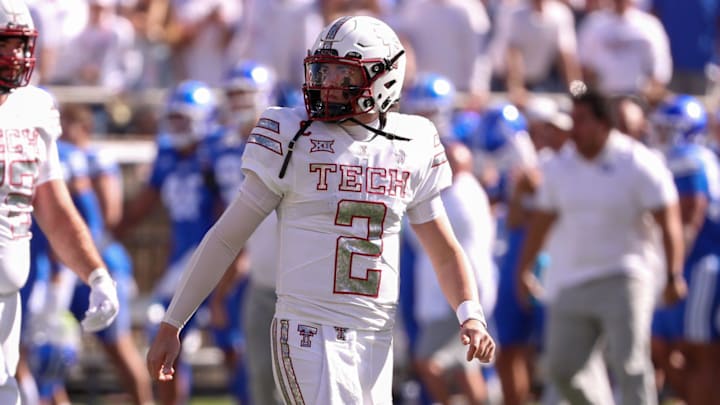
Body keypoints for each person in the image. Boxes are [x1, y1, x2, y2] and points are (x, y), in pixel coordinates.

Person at [146, 15, 495, 404]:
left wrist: (470, 313)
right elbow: (227, 237)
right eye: (322, 70)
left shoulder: (412, 142)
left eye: (342, 75)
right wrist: (173, 321)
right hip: (307, 329)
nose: (326, 85)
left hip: (375, 333)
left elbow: (444, 252)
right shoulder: (290, 133)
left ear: (384, 78)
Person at [517, 86, 687, 405]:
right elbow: (541, 223)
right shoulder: (559, 166)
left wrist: (673, 273)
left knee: (631, 365)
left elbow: (669, 218)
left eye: (582, 120)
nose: (574, 128)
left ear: (603, 124)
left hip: (626, 275)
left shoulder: (637, 162)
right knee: (561, 370)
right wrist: (524, 269)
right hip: (572, 279)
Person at [0, 1, 119, 404]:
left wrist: (96, 274)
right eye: (4, 43)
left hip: (7, 305)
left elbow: (53, 207)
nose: (14, 55)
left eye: (20, 43)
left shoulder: (34, 107)